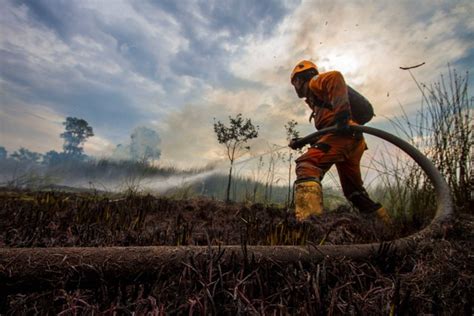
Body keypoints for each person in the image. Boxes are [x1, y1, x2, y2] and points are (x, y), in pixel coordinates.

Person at [288, 60, 391, 224]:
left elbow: (334, 77)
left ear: (299, 80)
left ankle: (309, 226)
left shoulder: (315, 83)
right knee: (354, 192)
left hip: (345, 136)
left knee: (307, 165)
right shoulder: (316, 100)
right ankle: (387, 225)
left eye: (294, 83)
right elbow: (329, 129)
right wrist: (303, 141)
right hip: (352, 140)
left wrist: (342, 117)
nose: (295, 87)